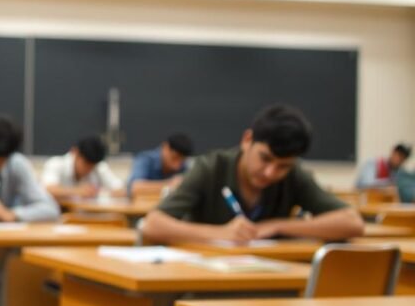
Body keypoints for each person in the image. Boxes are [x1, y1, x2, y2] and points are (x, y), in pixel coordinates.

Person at [140, 104, 364, 244]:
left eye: (282, 166)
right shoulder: (211, 167)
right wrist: (221, 233)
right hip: (206, 287)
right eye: (265, 158)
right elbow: (153, 224)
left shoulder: (294, 175)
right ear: (247, 140)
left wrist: (278, 225)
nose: (270, 172)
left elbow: (352, 222)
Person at [40, 135, 123, 197]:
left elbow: (121, 190)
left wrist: (101, 193)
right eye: (86, 164)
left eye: (92, 166)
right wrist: (78, 191)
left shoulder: (98, 166)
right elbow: (49, 190)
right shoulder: (55, 163)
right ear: (75, 152)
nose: (89, 169)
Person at [126, 133, 194, 197]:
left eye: (181, 161)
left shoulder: (183, 166)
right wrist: (169, 184)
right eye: (174, 158)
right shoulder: (145, 159)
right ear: (165, 147)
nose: (176, 166)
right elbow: (135, 187)